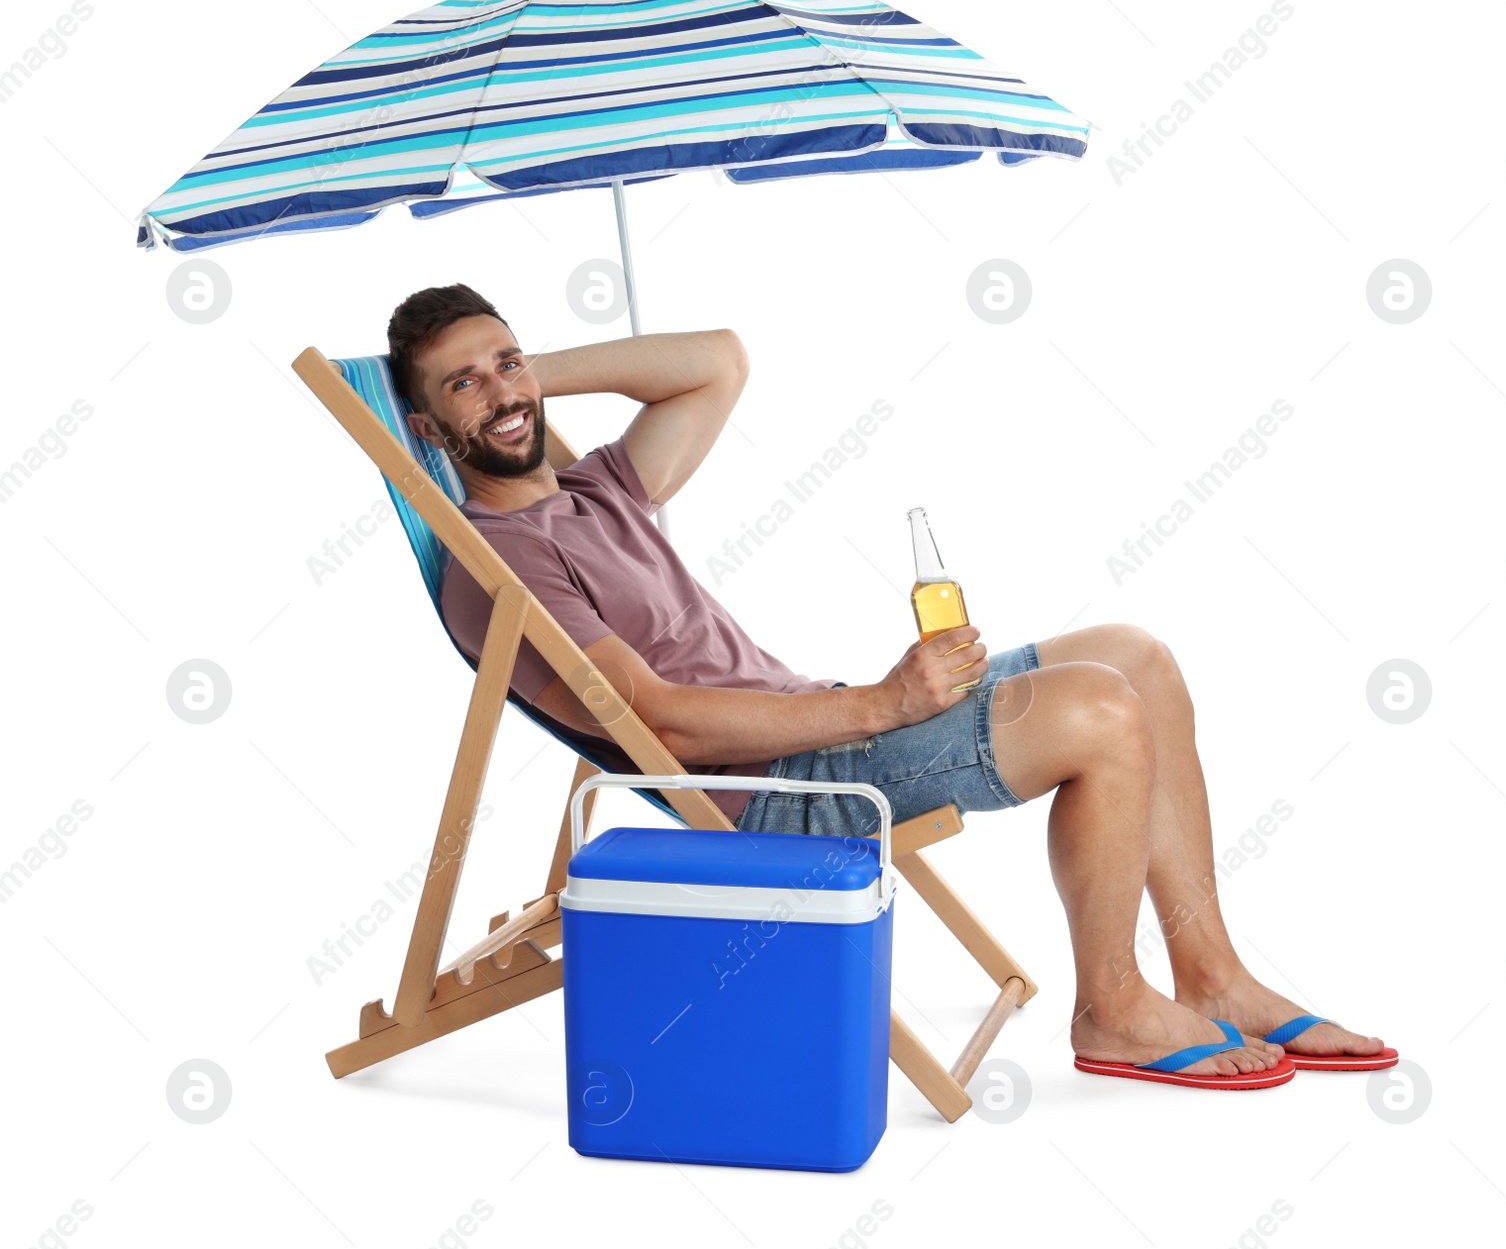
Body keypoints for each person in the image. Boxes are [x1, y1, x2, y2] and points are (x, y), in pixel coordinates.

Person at [393, 283, 1395, 1088]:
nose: (502, 394)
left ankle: (1212, 972)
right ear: (428, 429)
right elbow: (653, 718)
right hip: (787, 785)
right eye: (464, 388)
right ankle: (1114, 1008)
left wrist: (526, 379)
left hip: (821, 720)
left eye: (506, 364)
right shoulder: (500, 567)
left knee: (1136, 654)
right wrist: (885, 704)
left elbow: (718, 363)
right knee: (1099, 712)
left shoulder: (595, 490)